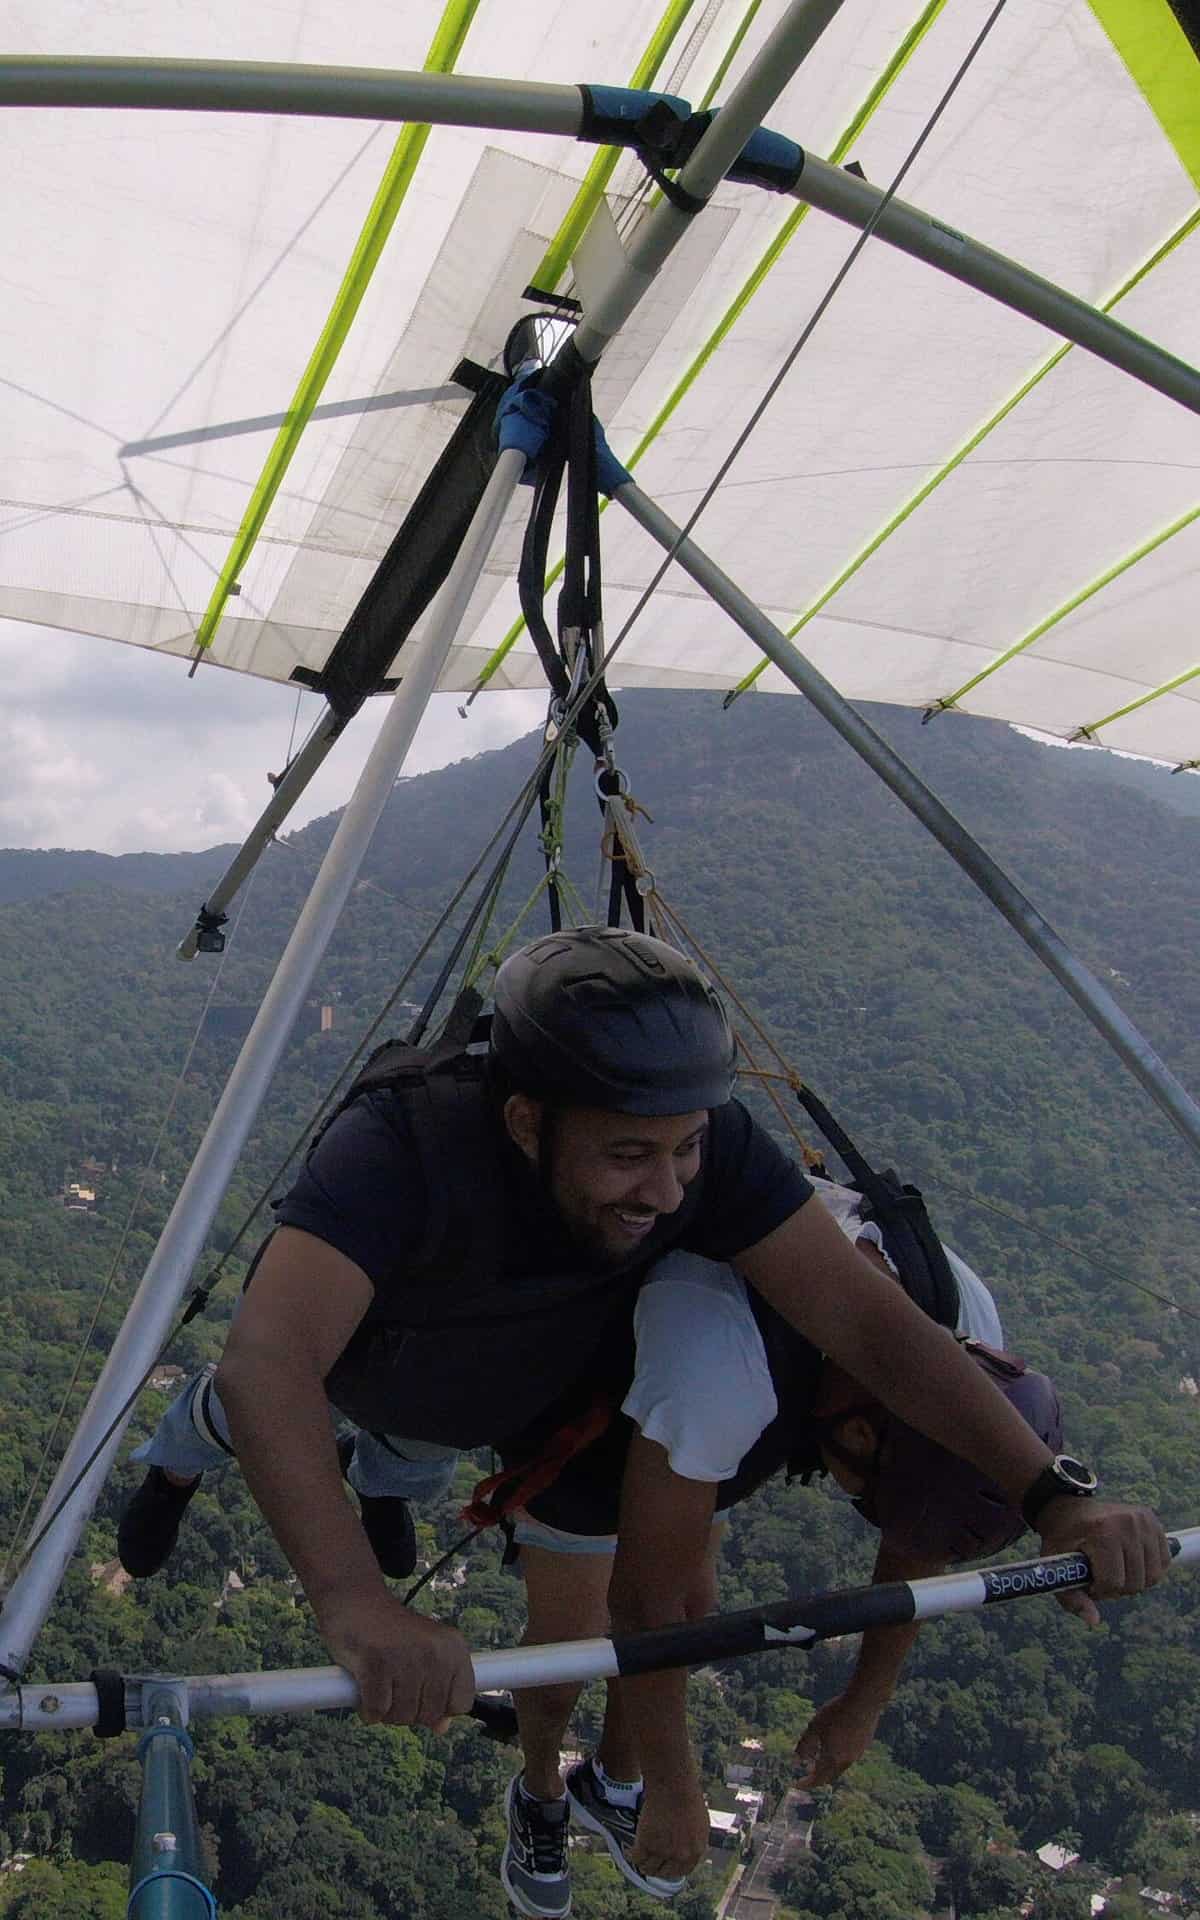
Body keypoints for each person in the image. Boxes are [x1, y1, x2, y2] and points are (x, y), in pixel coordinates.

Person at [117, 927, 1170, 1916]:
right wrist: (350, 1601)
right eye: (628, 1156)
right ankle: (172, 1469)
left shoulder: (694, 1148)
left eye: (688, 1151)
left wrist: (1052, 1496)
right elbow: (272, 1364)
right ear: (527, 1120)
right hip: (376, 1371)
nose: (666, 1190)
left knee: (402, 1471)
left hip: (499, 1408)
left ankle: (381, 1497)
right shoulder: (401, 1146)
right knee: (232, 1411)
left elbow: (873, 1327)